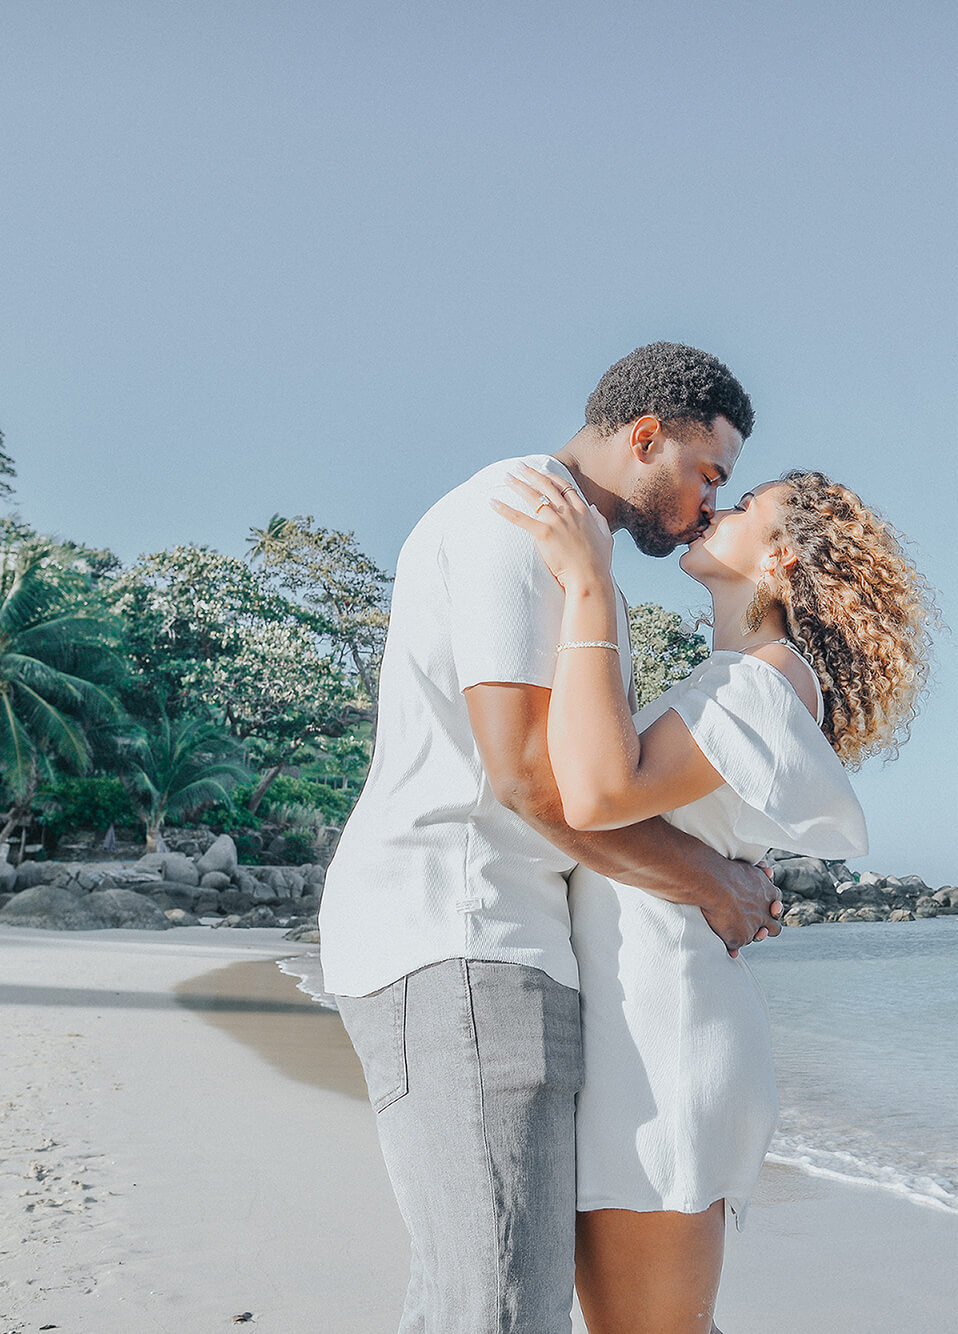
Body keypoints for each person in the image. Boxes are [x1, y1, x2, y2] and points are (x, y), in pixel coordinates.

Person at [319, 344, 782, 1334]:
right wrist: (711, 881)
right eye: (707, 473)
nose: (708, 503)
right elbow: (530, 776)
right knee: (494, 1302)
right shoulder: (514, 515)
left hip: (506, 939)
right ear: (643, 435)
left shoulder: (588, 571)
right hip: (458, 928)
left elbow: (594, 788)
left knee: (501, 1296)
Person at [496, 464, 935, 1334]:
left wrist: (588, 582)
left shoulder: (764, 681)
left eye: (741, 507)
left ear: (780, 562)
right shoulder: (737, 678)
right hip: (645, 1021)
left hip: (664, 1033)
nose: (712, 510)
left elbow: (596, 794)